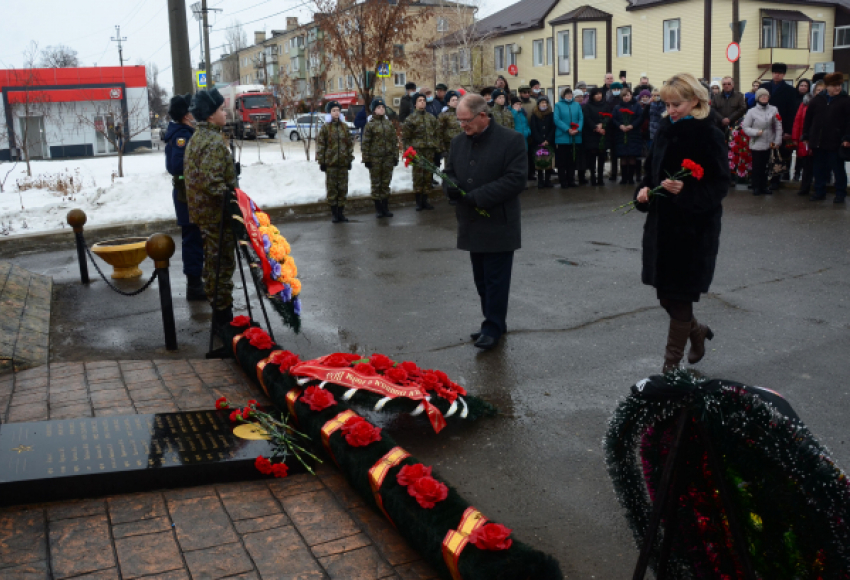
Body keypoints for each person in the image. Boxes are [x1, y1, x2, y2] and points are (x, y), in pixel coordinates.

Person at [634, 72, 730, 372]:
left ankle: (670, 367)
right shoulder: (664, 128)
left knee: (679, 299)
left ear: (696, 101)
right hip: (662, 227)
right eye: (667, 104)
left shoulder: (709, 133)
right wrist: (644, 191)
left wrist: (687, 191)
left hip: (693, 230)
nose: (671, 110)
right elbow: (650, 171)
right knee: (666, 297)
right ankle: (697, 332)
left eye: (677, 104)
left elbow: (719, 185)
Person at [443, 94, 527, 351]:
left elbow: (516, 179)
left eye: (466, 121)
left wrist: (477, 197)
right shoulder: (458, 142)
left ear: (483, 116)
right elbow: (448, 173)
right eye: (459, 121)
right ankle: (492, 322)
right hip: (471, 223)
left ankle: (493, 327)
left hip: (499, 223)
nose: (462, 126)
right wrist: (453, 187)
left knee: (496, 280)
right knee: (481, 279)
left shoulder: (511, 140)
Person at [183, 88, 238, 328]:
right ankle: (223, 318)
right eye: (221, 109)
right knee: (221, 265)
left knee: (212, 263)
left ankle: (220, 312)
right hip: (217, 215)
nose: (225, 113)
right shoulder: (213, 141)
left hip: (204, 214)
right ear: (209, 116)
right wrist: (233, 200)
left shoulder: (198, 137)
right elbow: (212, 184)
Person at [164, 94, 206, 302]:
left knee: (196, 237)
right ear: (185, 115)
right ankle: (194, 285)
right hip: (187, 195)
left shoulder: (186, 132)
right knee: (192, 239)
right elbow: (176, 165)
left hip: (190, 193)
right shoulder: (182, 135)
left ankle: (197, 281)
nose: (194, 114)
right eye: (190, 110)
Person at [802, 72, 850, 203]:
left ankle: (840, 193)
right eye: (834, 85)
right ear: (827, 86)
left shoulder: (846, 100)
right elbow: (808, 119)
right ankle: (819, 191)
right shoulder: (817, 100)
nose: (838, 88)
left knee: (838, 170)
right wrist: (806, 134)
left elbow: (849, 122)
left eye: (839, 85)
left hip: (836, 141)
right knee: (819, 169)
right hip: (818, 141)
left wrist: (847, 138)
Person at [318, 100, 355, 222]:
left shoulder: (344, 127)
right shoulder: (325, 128)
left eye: (338, 110)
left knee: (342, 189)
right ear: (329, 112)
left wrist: (349, 159)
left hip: (343, 163)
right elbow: (321, 146)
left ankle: (341, 213)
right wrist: (322, 162)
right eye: (334, 110)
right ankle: (334, 213)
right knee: (332, 189)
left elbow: (349, 144)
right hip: (331, 164)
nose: (336, 113)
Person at [741, 88, 783, 196]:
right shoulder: (751, 112)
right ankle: (756, 186)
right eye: (761, 96)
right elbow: (745, 127)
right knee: (757, 166)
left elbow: (778, 126)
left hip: (770, 142)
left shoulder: (774, 109)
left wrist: (777, 140)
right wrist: (755, 132)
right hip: (757, 143)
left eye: (766, 96)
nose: (764, 98)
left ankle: (764, 186)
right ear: (757, 98)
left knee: (766, 166)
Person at [403, 91, 440, 210]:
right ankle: (419, 201)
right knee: (418, 176)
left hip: (429, 151)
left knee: (428, 176)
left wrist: (437, 149)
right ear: (415, 104)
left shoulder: (431, 118)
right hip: (417, 152)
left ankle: (426, 200)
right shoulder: (411, 119)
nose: (422, 102)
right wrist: (409, 153)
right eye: (419, 100)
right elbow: (406, 138)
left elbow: (436, 134)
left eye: (423, 100)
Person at [362, 97, 398, 219]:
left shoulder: (389, 124)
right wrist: (366, 159)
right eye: (378, 108)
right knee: (376, 184)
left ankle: (385, 207)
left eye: (383, 107)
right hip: (375, 159)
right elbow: (365, 143)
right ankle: (378, 208)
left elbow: (394, 141)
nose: (381, 109)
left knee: (386, 183)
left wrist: (395, 156)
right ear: (374, 110)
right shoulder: (370, 125)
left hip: (387, 158)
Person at [760, 63, 797, 183]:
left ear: (784, 74)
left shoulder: (790, 91)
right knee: (764, 154)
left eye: (780, 73)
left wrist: (788, 131)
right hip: (764, 126)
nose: (777, 75)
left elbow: (792, 112)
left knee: (779, 154)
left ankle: (776, 180)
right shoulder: (764, 87)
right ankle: (762, 180)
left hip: (781, 126)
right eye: (775, 72)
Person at [612, 86, 644, 184]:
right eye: (624, 95)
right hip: (621, 134)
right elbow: (613, 119)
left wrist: (632, 125)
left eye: (628, 95)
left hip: (633, 134)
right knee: (623, 156)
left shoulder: (636, 106)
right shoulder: (617, 107)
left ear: (631, 96)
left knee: (632, 156)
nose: (626, 97)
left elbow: (640, 117)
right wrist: (620, 125)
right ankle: (624, 178)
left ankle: (630, 178)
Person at [554, 87, 583, 188]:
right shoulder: (558, 105)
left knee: (572, 161)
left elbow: (581, 118)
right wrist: (568, 129)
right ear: (563, 96)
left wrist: (577, 129)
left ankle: (571, 180)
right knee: (562, 161)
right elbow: (557, 119)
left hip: (575, 137)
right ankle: (563, 181)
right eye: (567, 95)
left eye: (570, 95)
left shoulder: (577, 105)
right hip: (563, 138)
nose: (569, 96)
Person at [438, 90, 464, 204]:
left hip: (463, 147)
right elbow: (439, 133)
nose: (456, 102)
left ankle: (462, 193)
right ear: (448, 102)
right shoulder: (444, 116)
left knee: (462, 171)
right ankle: (450, 194)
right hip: (449, 148)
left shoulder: (462, 113)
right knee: (450, 172)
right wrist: (442, 148)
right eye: (453, 100)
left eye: (457, 99)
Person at [582, 87, 609, 186]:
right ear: (592, 95)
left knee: (602, 158)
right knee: (592, 158)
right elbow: (587, 118)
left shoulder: (605, 105)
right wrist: (595, 127)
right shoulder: (587, 106)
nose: (599, 96)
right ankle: (593, 177)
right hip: (591, 135)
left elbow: (608, 117)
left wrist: (603, 125)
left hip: (602, 135)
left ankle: (600, 178)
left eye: (600, 94)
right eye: (596, 94)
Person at [529, 95, 556, 188]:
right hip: (538, 142)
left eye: (545, 103)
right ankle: (540, 181)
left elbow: (553, 128)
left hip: (549, 141)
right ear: (538, 104)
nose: (544, 104)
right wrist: (541, 140)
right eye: (541, 103)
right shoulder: (534, 115)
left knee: (548, 161)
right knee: (539, 162)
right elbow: (534, 129)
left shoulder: (551, 114)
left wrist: (548, 140)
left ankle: (548, 180)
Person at [791, 91, 814, 197]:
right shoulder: (804, 103)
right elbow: (797, 121)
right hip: (805, 139)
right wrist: (795, 137)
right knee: (806, 165)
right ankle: (805, 188)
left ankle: (820, 189)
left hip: (820, 138)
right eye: (817, 89)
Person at [518, 84, 538, 180]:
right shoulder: (516, 103)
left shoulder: (534, 102)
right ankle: (524, 173)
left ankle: (532, 173)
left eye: (528, 92)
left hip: (532, 130)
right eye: (524, 93)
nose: (527, 94)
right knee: (522, 154)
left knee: (532, 153)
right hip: (521, 132)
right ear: (520, 93)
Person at [606, 82, 624, 181]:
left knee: (622, 153)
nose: (616, 91)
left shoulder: (623, 100)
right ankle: (613, 173)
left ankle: (622, 173)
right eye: (614, 89)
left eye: (618, 89)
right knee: (613, 154)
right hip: (612, 130)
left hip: (622, 129)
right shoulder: (608, 100)